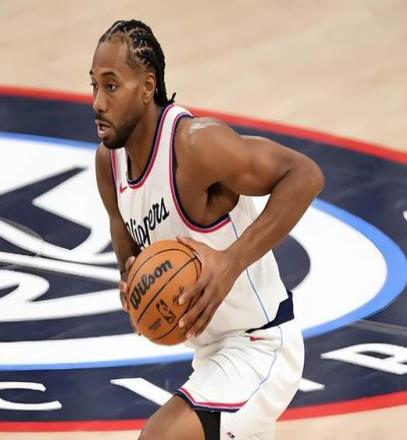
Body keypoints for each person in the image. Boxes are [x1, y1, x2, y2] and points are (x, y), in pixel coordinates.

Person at [93, 19, 324, 440]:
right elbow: (126, 245)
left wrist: (230, 262)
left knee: (160, 437)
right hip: (209, 358)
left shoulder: (195, 145)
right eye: (94, 85)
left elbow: (305, 176)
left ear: (147, 87)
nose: (97, 102)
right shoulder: (109, 165)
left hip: (262, 346)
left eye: (111, 86)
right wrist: (132, 285)